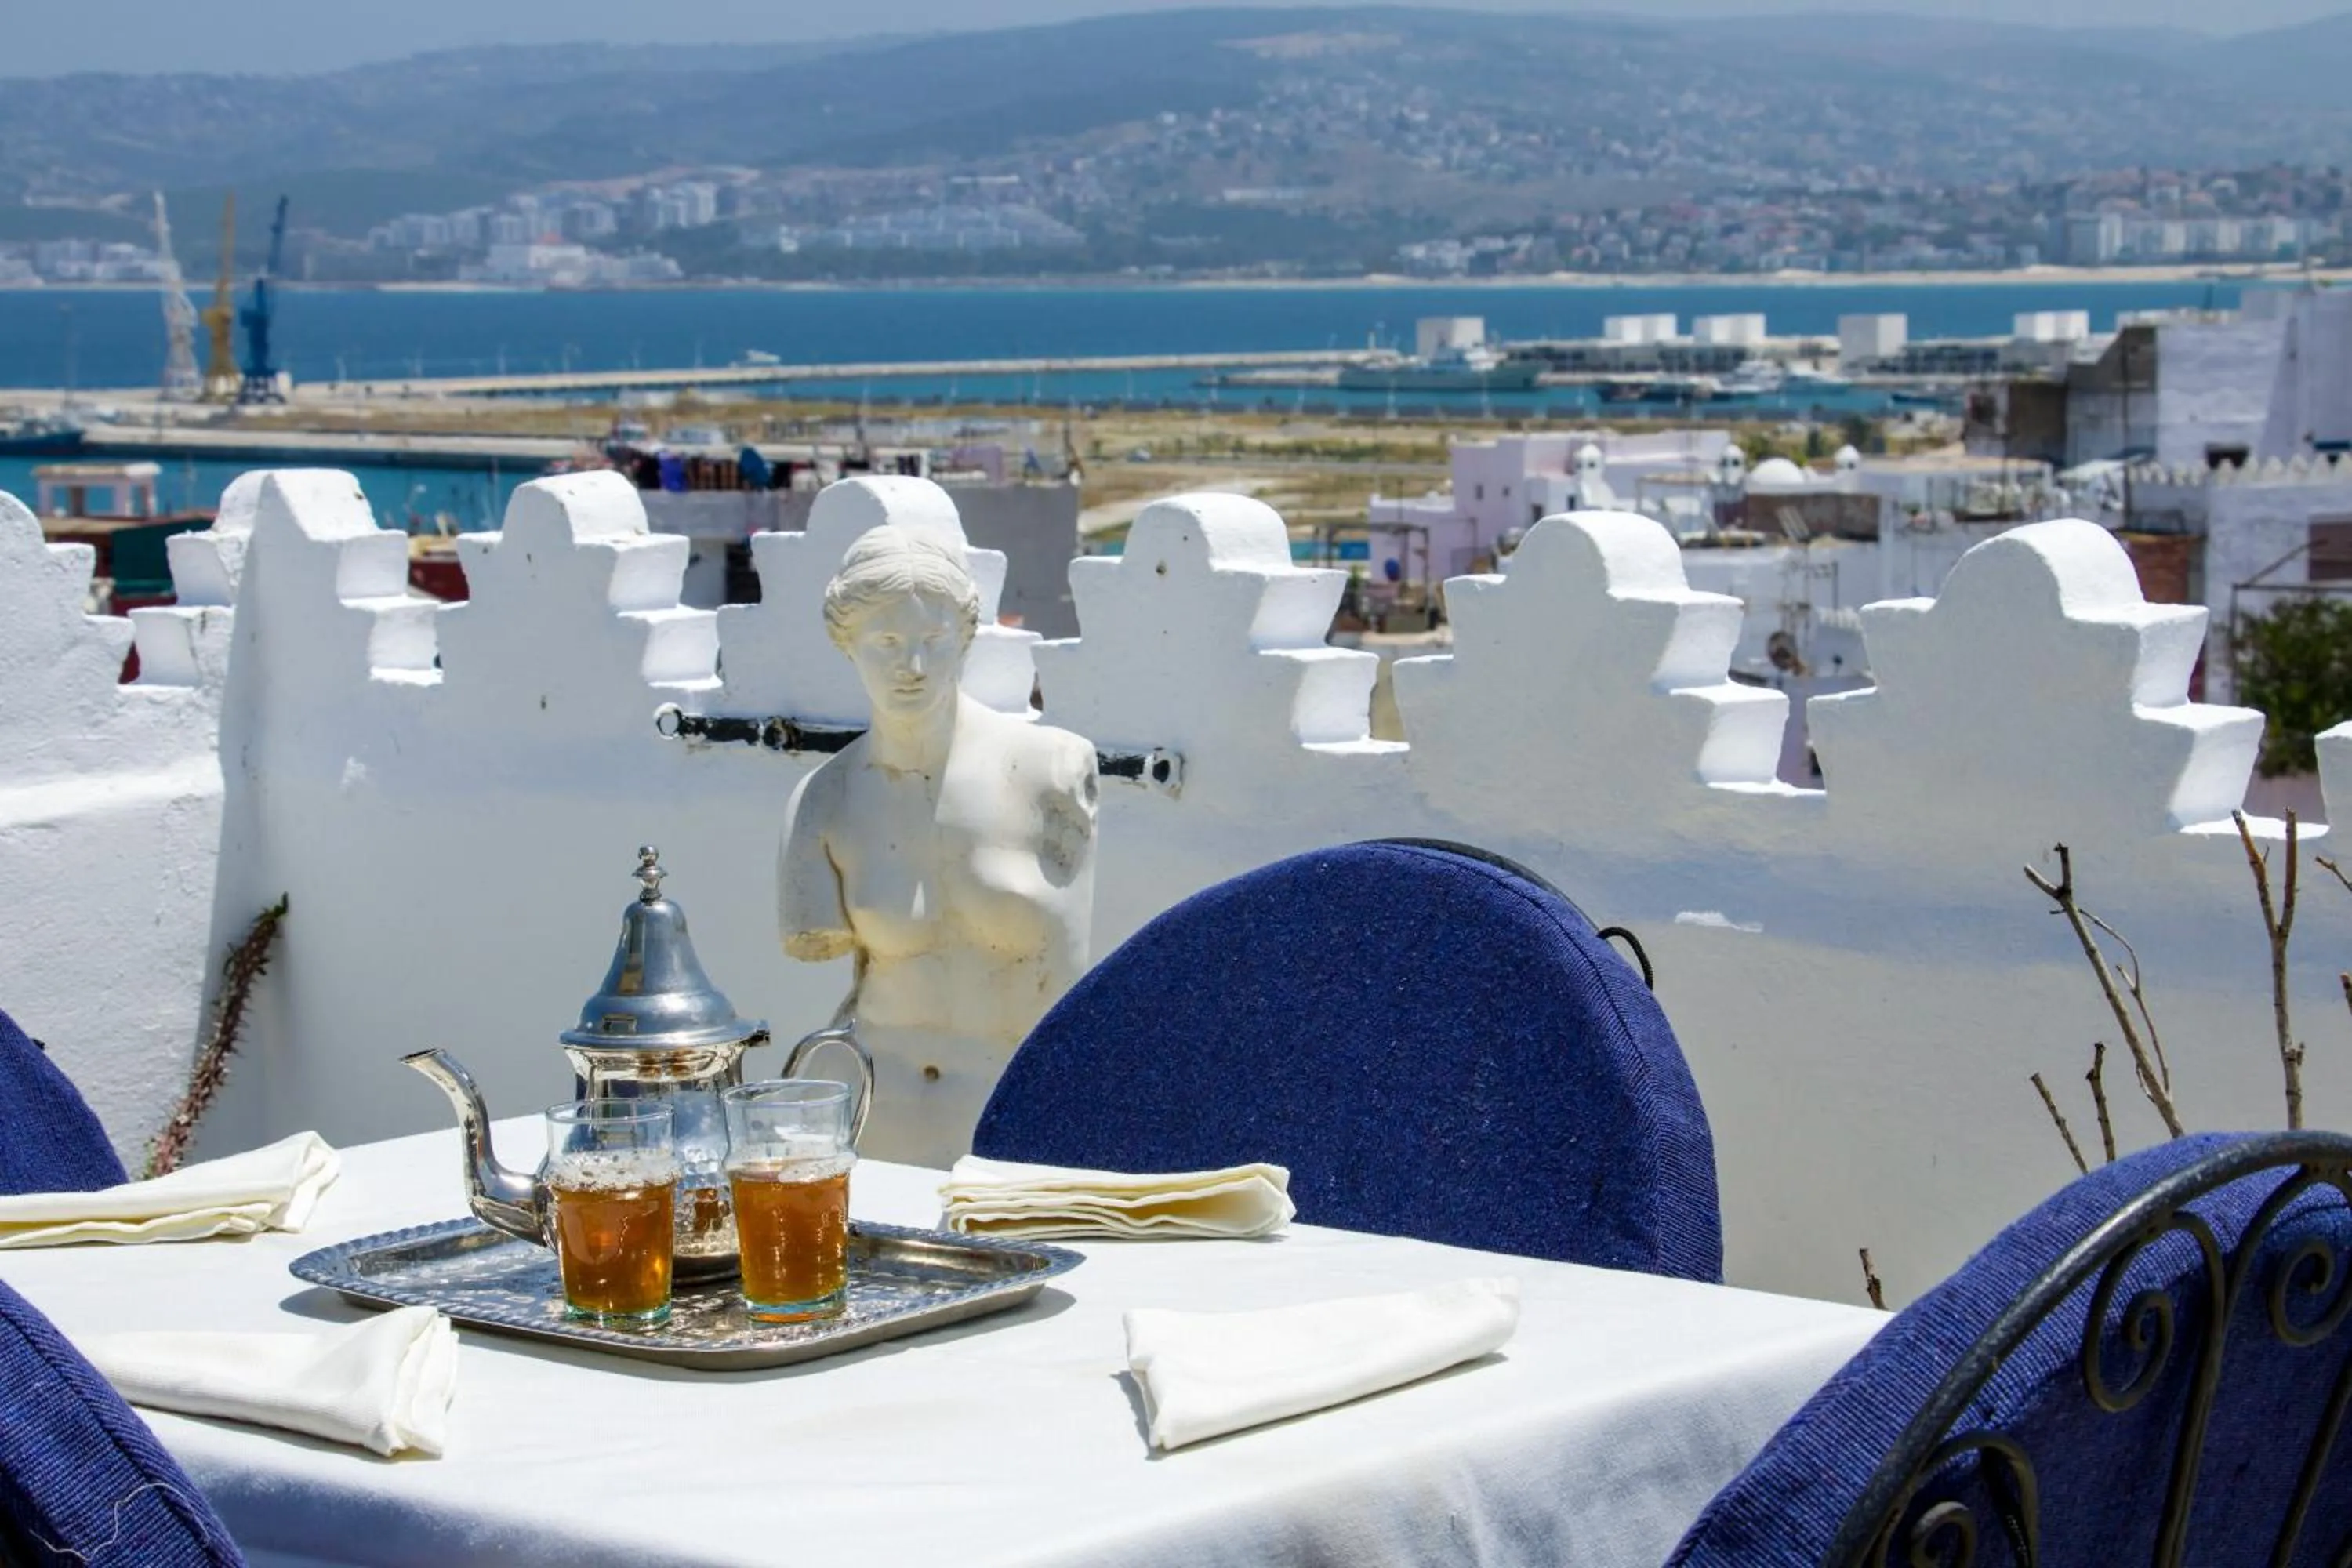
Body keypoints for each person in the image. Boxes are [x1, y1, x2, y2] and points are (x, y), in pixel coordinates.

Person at [779, 526, 1098, 1166]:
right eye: (887, 643)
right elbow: (812, 941)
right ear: (847, 645)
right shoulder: (824, 800)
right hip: (876, 1125)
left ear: (966, 638)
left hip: (1023, 1130)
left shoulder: (1051, 772)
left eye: (934, 640)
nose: (913, 667)